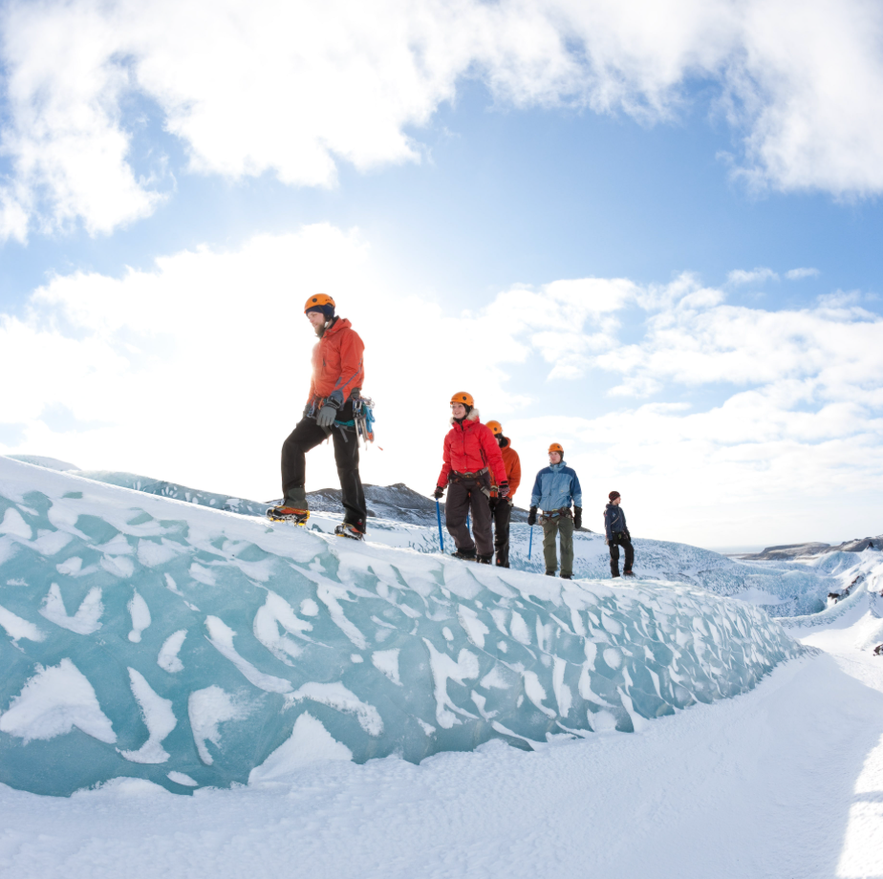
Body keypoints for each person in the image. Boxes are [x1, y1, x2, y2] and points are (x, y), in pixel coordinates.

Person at [267, 294, 368, 540]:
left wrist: (334, 401)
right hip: (320, 409)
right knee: (292, 445)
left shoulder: (349, 337)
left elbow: (351, 370)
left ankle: (354, 523)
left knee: (346, 465)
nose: (310, 320)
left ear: (326, 313)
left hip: (344, 407)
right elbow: (314, 379)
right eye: (308, 317)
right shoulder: (318, 345)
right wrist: (308, 409)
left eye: (313, 315)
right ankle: (295, 504)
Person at [434, 393, 508, 563]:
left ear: (468, 409)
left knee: (481, 523)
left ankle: (485, 556)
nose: (456, 409)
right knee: (452, 520)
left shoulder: (482, 431)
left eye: (460, 406)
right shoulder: (450, 436)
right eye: (453, 406)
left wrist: (502, 481)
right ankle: (467, 550)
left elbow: (495, 457)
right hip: (457, 480)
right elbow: (447, 463)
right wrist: (440, 485)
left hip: (479, 481)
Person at [528, 444, 582, 579]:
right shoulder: (542, 473)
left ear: (561, 455)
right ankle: (550, 571)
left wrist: (578, 512)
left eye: (555, 454)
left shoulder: (570, 473)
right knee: (548, 543)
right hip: (547, 515)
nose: (553, 456)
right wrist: (532, 510)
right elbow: (536, 493)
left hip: (564, 514)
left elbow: (577, 494)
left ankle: (566, 573)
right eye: (550, 454)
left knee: (566, 543)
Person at [485, 420, 521, 568]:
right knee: (483, 530)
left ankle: (502, 563)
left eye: (495, 437)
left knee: (502, 533)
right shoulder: (480, 454)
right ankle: (484, 559)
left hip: (503, 498)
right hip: (484, 497)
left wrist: (506, 495)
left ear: (500, 437)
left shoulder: (512, 455)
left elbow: (515, 478)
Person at [604, 491, 634, 578]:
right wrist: (609, 538)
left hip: (621, 534)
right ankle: (615, 576)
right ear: (614, 499)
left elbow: (623, 523)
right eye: (618, 497)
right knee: (615, 556)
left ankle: (627, 569)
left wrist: (627, 534)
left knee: (629, 549)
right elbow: (607, 526)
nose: (620, 499)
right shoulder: (608, 511)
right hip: (613, 536)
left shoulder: (620, 510)